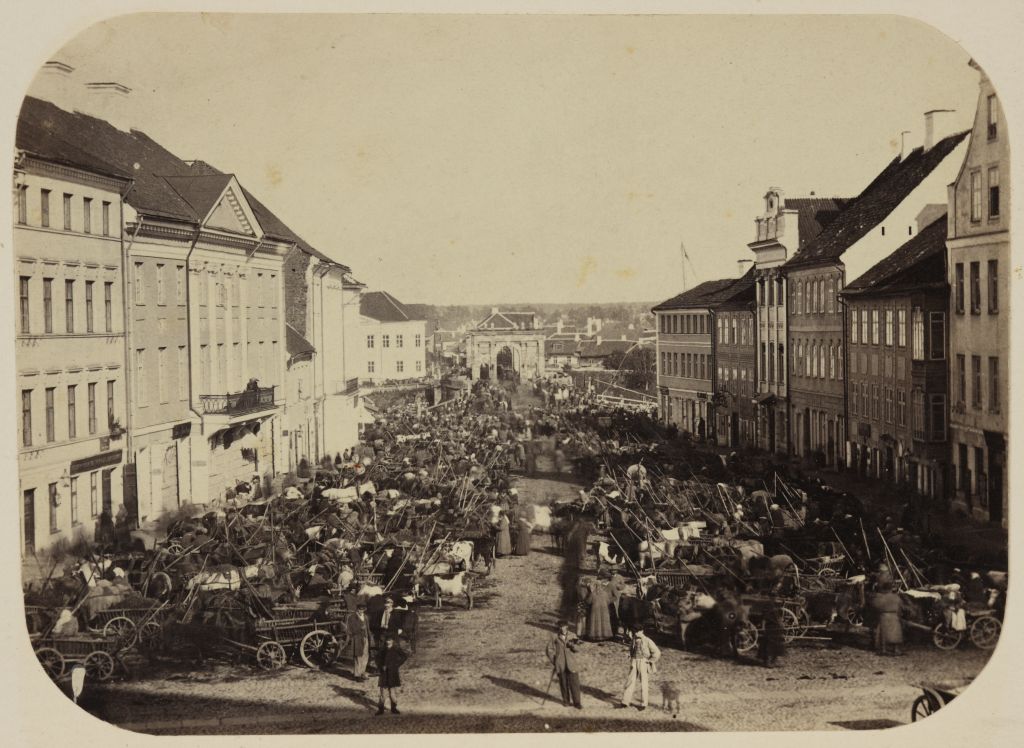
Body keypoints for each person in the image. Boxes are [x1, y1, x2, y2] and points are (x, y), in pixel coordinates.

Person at [618, 625, 661, 711]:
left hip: (643, 662)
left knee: (644, 683)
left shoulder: (647, 640)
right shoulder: (633, 640)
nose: (636, 633)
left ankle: (644, 703)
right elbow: (631, 649)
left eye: (637, 631)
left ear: (642, 631)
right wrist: (630, 655)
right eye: (635, 632)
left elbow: (657, 652)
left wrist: (650, 661)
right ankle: (625, 701)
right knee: (630, 681)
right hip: (634, 661)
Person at [546, 620, 583, 709]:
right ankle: (566, 701)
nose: (563, 629)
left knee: (574, 683)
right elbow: (549, 650)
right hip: (561, 663)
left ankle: (577, 702)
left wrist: (572, 646)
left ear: (567, 627)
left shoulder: (572, 636)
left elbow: (578, 649)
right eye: (561, 627)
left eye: (565, 626)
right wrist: (554, 660)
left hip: (571, 663)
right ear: (559, 628)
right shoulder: (554, 637)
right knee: (563, 683)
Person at [375, 635, 408, 715]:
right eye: (387, 640)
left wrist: (397, 664)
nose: (388, 642)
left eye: (389, 640)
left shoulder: (396, 649)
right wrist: (380, 666)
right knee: (382, 691)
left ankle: (394, 708)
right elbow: (377, 658)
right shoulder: (382, 649)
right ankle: (381, 708)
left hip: (392, 673)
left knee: (392, 691)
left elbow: (404, 656)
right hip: (384, 673)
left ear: (393, 641)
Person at [347, 603, 371, 680]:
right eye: (360, 609)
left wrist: (369, 637)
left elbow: (368, 629)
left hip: (365, 638)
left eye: (363, 609)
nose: (361, 611)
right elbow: (351, 630)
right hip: (357, 639)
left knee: (365, 655)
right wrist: (360, 628)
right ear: (357, 609)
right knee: (358, 656)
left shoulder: (366, 617)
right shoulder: (352, 617)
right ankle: (357, 675)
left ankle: (362, 672)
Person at [758, 602, 786, 668]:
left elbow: (779, 619)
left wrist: (781, 625)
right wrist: (763, 628)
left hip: (776, 628)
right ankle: (767, 661)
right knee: (769, 645)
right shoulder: (769, 609)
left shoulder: (775, 610)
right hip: (771, 629)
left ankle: (774, 661)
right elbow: (764, 620)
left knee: (776, 645)